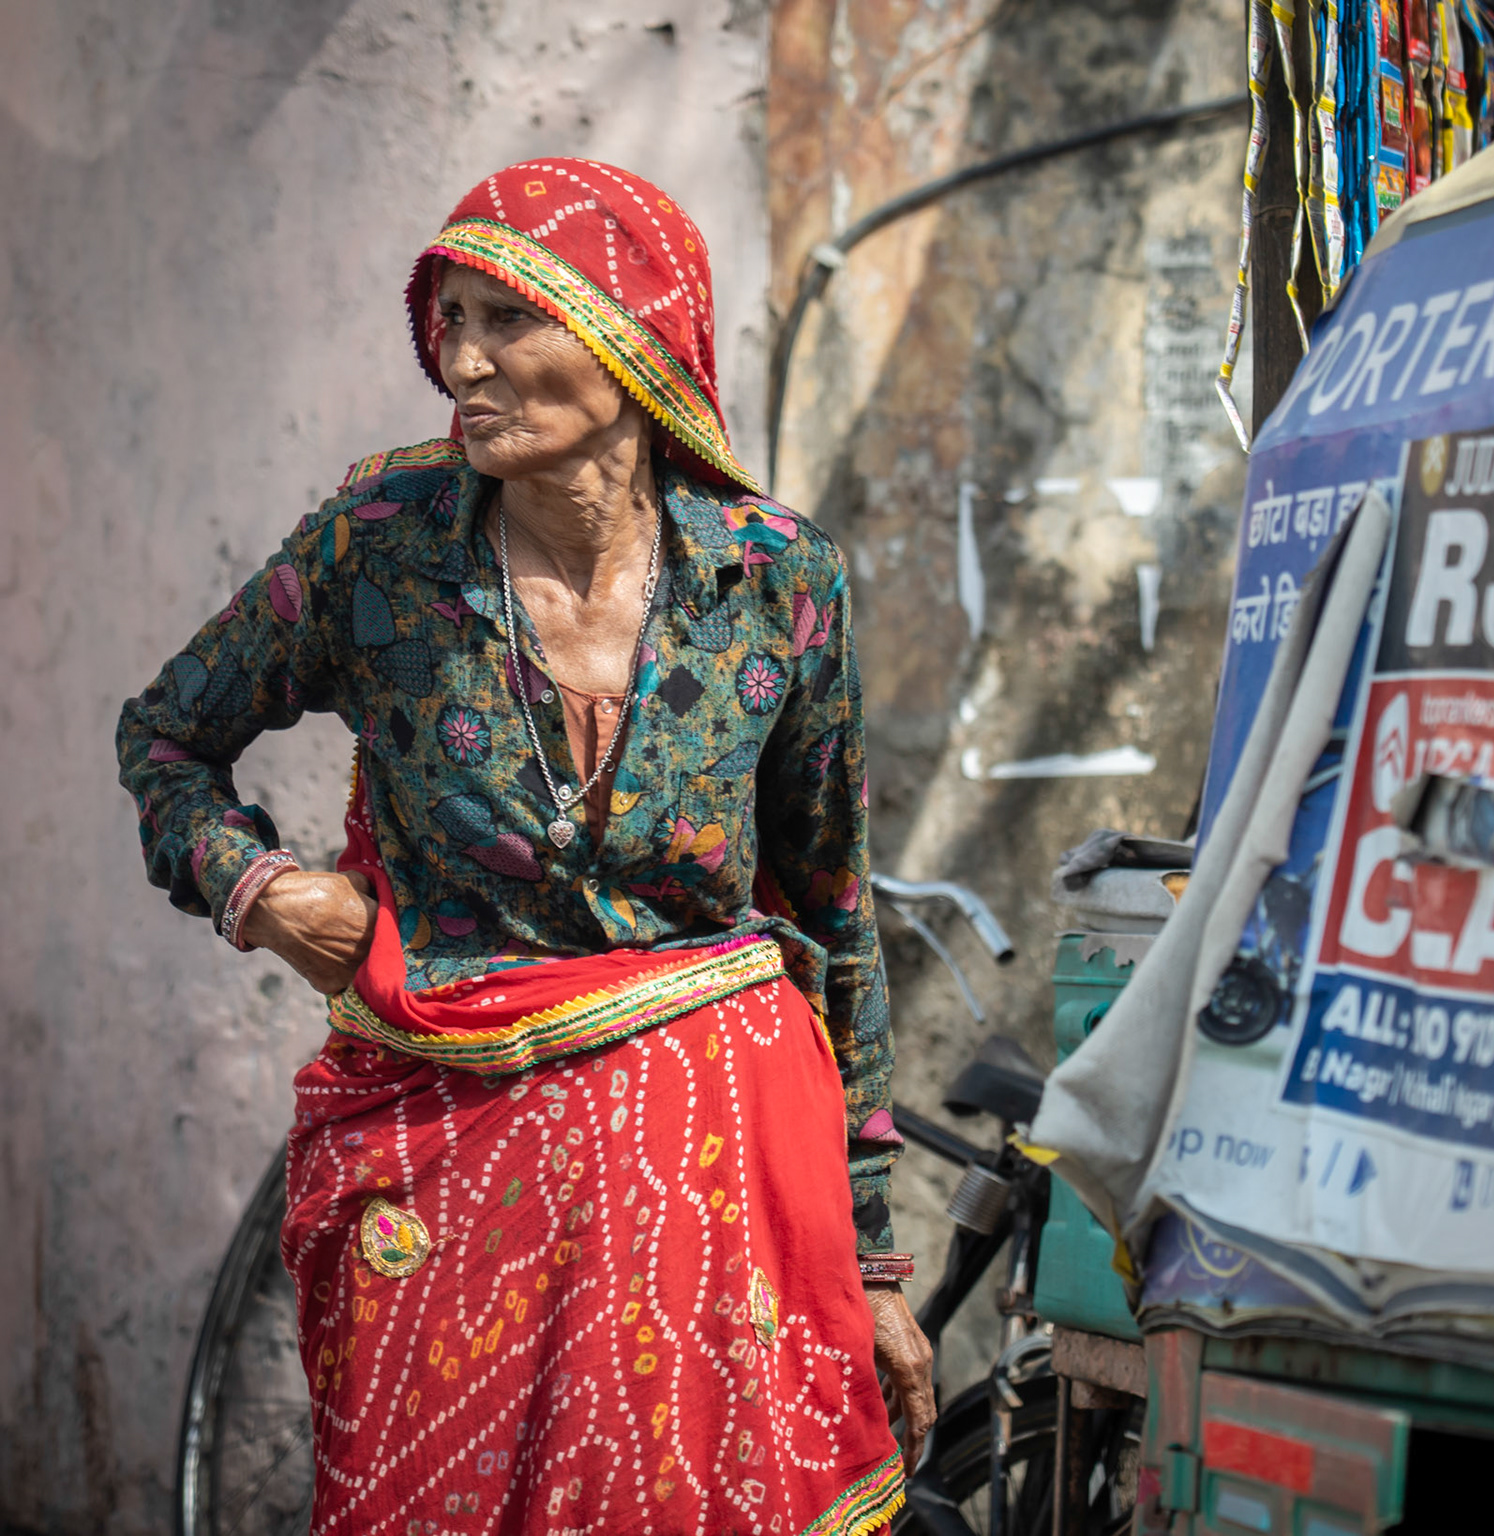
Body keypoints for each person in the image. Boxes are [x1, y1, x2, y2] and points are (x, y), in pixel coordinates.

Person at [117, 158, 933, 1534]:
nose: (464, 363)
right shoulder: (379, 555)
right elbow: (164, 739)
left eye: (509, 320)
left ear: (630, 333)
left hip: (717, 1197)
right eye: (450, 323)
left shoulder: (777, 584)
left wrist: (881, 1266)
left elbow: (833, 911)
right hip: (449, 1170)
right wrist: (257, 890)